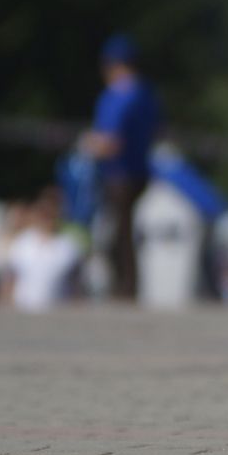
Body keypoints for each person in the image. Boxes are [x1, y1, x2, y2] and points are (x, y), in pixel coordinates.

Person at [78, 33, 162, 302]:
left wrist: (87, 144)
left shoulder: (116, 96)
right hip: (142, 171)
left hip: (119, 174)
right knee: (126, 232)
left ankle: (124, 288)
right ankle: (129, 285)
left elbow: (110, 142)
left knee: (117, 235)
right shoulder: (147, 94)